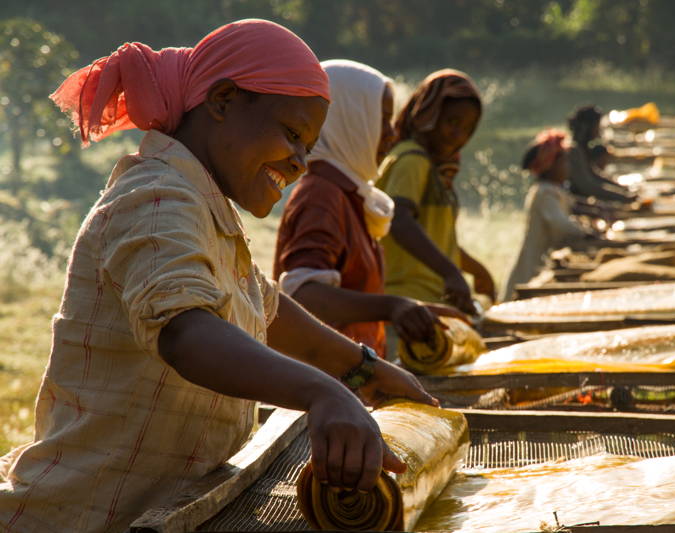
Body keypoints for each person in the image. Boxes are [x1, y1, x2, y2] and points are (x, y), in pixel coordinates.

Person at [0, 20, 435, 533]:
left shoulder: (206, 209)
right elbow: (187, 332)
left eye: (308, 148)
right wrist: (325, 393)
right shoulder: (158, 198)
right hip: (86, 517)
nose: (298, 164)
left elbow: (263, 306)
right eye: (292, 134)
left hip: (167, 510)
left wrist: (360, 369)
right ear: (224, 100)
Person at [274, 59, 445, 358]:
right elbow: (304, 295)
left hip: (352, 376)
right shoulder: (321, 195)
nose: (391, 135)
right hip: (325, 381)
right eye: (382, 120)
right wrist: (392, 307)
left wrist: (412, 309)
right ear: (351, 119)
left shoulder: (350, 194)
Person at [377, 69, 495, 316]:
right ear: (428, 115)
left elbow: (434, 236)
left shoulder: (435, 168)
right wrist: (451, 273)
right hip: (407, 303)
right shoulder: (412, 159)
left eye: (467, 128)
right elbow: (399, 220)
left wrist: (475, 269)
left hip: (431, 300)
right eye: (452, 122)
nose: (458, 135)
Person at [503, 130, 598, 300]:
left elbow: (574, 207)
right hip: (535, 263)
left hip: (544, 257)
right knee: (524, 296)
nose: (568, 168)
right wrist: (586, 233)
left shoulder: (556, 190)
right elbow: (561, 224)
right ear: (550, 165)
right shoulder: (544, 193)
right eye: (564, 163)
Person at [566, 105, 637, 204]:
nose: (598, 130)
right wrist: (622, 197)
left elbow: (595, 175)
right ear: (587, 127)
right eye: (597, 126)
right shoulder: (573, 150)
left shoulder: (581, 148)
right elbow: (588, 186)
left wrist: (622, 189)